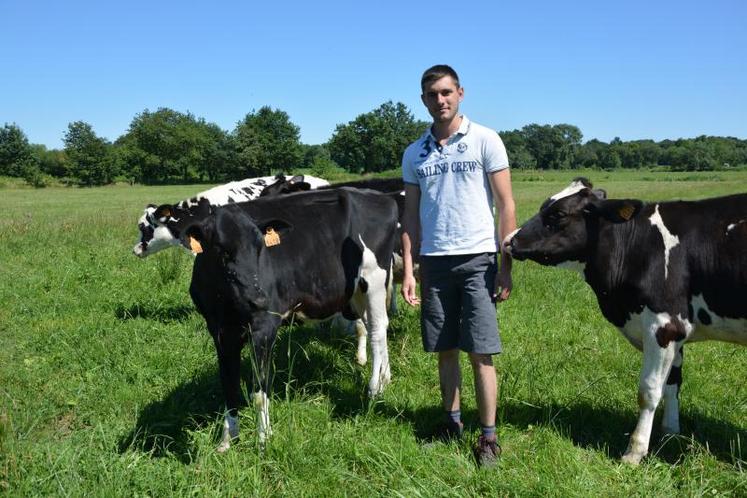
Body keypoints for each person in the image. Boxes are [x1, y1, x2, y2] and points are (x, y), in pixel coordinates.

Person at [400, 64, 516, 467]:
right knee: (444, 349)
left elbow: (506, 205)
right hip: (434, 263)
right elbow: (411, 216)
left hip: (478, 259)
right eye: (432, 94)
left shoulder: (485, 140)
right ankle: (451, 422)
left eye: (447, 92)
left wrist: (506, 264)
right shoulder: (415, 153)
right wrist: (409, 267)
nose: (440, 100)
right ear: (423, 99)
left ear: (461, 93)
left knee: (480, 352)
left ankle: (488, 438)